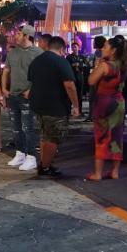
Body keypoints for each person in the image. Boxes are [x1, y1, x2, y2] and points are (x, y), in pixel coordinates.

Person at [28, 36, 80, 177]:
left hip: (38, 105)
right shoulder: (61, 62)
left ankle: (45, 164)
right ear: (61, 48)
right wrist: (75, 105)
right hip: (55, 106)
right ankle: (45, 167)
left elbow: (32, 81)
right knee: (53, 137)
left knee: (45, 135)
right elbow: (69, 85)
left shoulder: (36, 61)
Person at [86, 37, 127, 180]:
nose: (102, 49)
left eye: (105, 46)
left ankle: (98, 173)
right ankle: (115, 171)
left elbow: (91, 81)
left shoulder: (106, 65)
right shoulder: (124, 65)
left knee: (101, 136)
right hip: (119, 102)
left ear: (113, 50)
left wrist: (97, 67)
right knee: (117, 137)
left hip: (104, 103)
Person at [2, 24, 44, 171]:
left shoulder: (39, 53)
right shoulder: (12, 53)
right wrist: (4, 89)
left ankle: (31, 157)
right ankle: (20, 153)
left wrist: (31, 90)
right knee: (15, 127)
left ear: (27, 36)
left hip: (27, 96)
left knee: (28, 128)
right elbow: (6, 71)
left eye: (19, 34)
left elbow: (42, 75)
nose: (16, 36)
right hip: (13, 95)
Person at [66, 43, 87, 116]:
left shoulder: (82, 57)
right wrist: (73, 65)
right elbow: (66, 66)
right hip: (72, 77)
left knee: (79, 94)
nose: (74, 48)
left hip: (80, 77)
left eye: (75, 47)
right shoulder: (69, 57)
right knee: (70, 94)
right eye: (73, 47)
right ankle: (68, 111)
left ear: (78, 48)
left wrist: (80, 65)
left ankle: (79, 111)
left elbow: (86, 65)